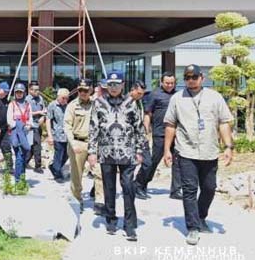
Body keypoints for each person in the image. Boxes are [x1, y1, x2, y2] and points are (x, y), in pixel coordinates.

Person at [163, 64, 233, 245]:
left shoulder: (215, 97)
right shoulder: (177, 99)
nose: (191, 81)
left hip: (210, 151)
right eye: (187, 78)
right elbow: (170, 125)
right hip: (186, 151)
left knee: (209, 187)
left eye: (194, 77)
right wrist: (166, 150)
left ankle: (201, 216)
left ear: (202, 77)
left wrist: (228, 147)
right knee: (189, 190)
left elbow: (224, 122)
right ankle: (193, 227)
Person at [88, 71, 145, 241]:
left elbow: (139, 128)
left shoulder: (131, 103)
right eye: (110, 85)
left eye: (117, 84)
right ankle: (111, 219)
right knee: (109, 188)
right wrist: (92, 151)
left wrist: (140, 150)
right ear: (107, 85)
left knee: (128, 188)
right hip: (106, 152)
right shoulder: (98, 103)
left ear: (122, 85)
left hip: (127, 152)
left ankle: (129, 225)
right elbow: (93, 128)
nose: (113, 88)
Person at [135, 72, 182, 200]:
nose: (169, 85)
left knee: (177, 162)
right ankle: (140, 184)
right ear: (161, 82)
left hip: (176, 134)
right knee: (153, 162)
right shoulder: (154, 95)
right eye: (167, 83)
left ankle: (176, 190)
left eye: (172, 83)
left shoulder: (178, 95)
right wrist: (145, 131)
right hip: (160, 134)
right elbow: (148, 114)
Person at [64, 78, 104, 214]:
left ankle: (100, 201)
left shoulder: (97, 105)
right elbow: (67, 126)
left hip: (94, 144)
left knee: (99, 173)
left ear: (91, 90)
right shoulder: (72, 106)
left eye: (85, 90)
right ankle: (77, 200)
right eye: (80, 90)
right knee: (77, 176)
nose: (83, 93)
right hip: (78, 143)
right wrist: (72, 142)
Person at [7, 83, 33, 182]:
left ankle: (22, 177)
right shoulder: (12, 104)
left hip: (26, 133)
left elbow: (30, 118)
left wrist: (28, 125)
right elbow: (9, 120)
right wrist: (19, 125)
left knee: (24, 155)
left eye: (20, 92)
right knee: (19, 156)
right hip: (16, 133)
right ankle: (18, 180)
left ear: (24, 93)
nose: (19, 94)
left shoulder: (27, 105)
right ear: (14, 93)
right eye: (17, 92)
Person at [46, 88, 70, 182]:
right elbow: (48, 120)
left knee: (67, 155)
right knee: (58, 155)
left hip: (67, 136)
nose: (65, 100)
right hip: (57, 135)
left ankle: (53, 167)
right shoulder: (52, 105)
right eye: (63, 98)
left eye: (67, 98)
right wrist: (49, 135)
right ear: (58, 97)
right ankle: (57, 174)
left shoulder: (67, 106)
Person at [25, 81, 46, 174]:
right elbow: (25, 113)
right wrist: (38, 113)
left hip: (39, 125)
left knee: (33, 145)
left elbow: (44, 110)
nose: (38, 91)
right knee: (36, 145)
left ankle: (24, 162)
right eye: (35, 90)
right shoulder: (26, 100)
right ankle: (38, 166)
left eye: (38, 89)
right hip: (30, 125)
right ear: (30, 90)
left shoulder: (40, 98)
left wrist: (43, 116)